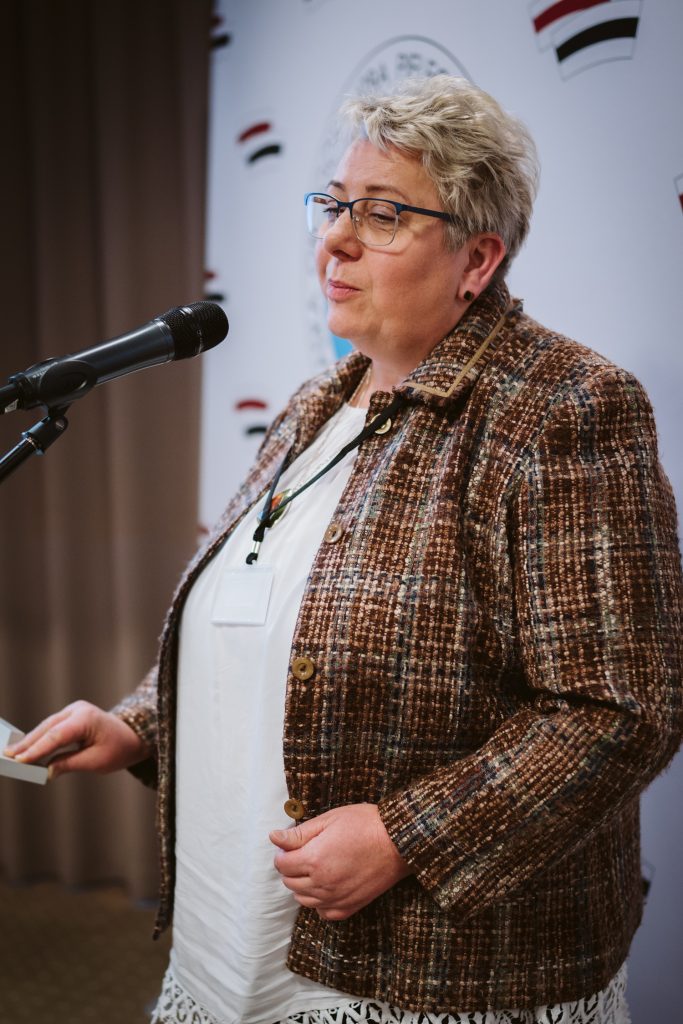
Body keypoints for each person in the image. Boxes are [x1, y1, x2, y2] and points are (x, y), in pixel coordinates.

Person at [5, 75, 682, 1024]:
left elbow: (620, 707)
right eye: (332, 205)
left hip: (431, 970)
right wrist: (138, 725)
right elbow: (262, 613)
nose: (335, 238)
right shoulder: (314, 405)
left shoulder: (559, 407)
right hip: (230, 926)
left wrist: (409, 835)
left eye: (383, 214)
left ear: (476, 258)